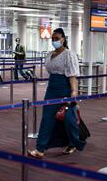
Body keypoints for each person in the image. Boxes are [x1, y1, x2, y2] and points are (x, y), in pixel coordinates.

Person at [28, 28, 85, 158]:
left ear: (63, 39)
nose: (54, 41)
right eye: (52, 39)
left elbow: (72, 76)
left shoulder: (69, 54)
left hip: (65, 87)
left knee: (67, 119)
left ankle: (73, 142)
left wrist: (74, 92)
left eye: (57, 38)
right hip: (52, 88)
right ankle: (40, 149)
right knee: (47, 118)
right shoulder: (49, 55)